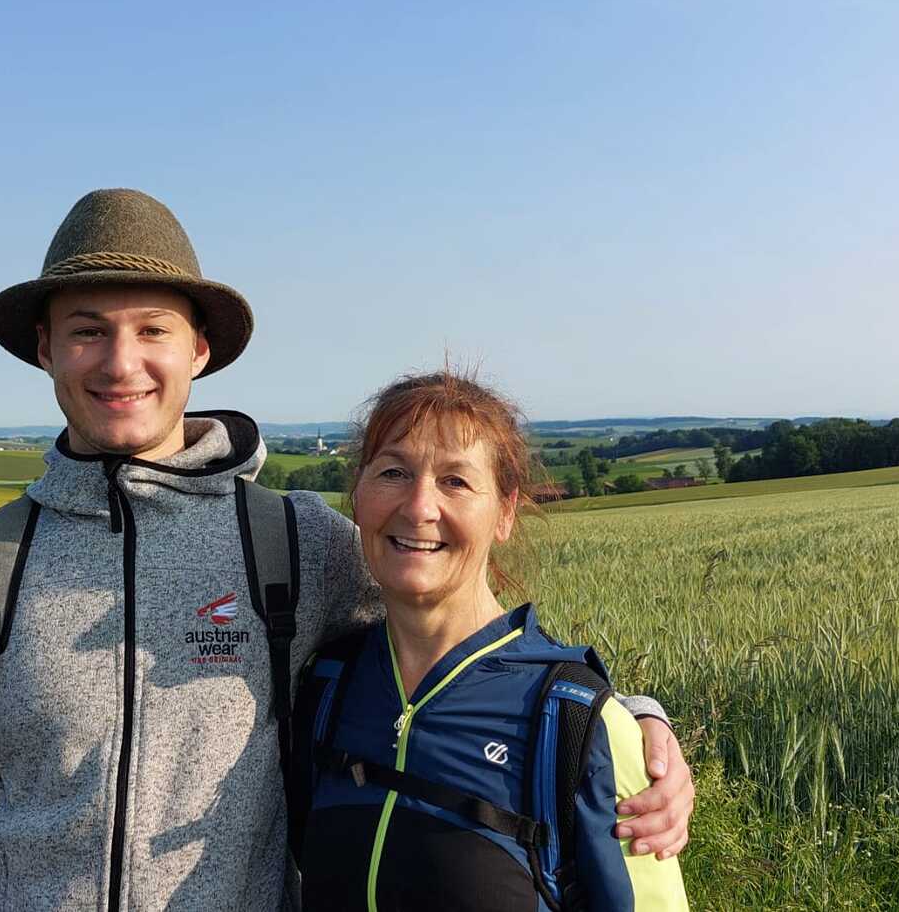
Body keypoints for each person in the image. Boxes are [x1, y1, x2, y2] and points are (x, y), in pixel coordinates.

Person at [0, 189, 693, 910]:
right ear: (45, 347)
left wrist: (626, 729)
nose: (121, 362)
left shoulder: (294, 543)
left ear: (198, 349)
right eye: (88, 330)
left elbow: (452, 635)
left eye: (153, 329)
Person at [292, 371, 688, 910]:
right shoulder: (327, 685)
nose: (419, 507)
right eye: (393, 472)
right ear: (357, 496)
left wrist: (633, 721)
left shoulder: (576, 724)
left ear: (504, 513)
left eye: (455, 481)